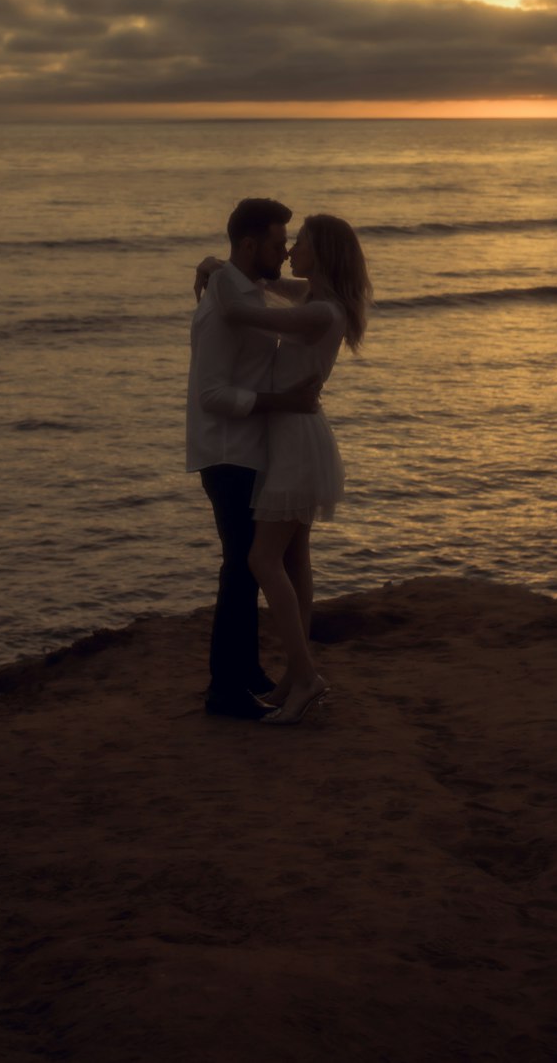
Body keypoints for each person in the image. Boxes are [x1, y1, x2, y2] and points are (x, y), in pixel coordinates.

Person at [200, 215, 372, 726]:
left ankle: (305, 676)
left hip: (296, 444)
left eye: (303, 243)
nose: (292, 247)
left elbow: (242, 312)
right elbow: (267, 283)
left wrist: (216, 276)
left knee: (261, 560)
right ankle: (296, 678)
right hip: (295, 439)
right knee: (295, 559)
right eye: (290, 242)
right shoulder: (318, 299)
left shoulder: (321, 312)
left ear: (323, 254)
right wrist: (217, 263)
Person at [187, 198, 323, 721]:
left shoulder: (241, 289)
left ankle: (245, 674)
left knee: (248, 568)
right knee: (240, 568)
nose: (285, 251)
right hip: (227, 451)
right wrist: (282, 403)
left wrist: (215, 266)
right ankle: (225, 689)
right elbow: (212, 395)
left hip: (251, 448)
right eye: (275, 242)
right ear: (248, 245)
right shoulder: (222, 308)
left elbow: (303, 294)